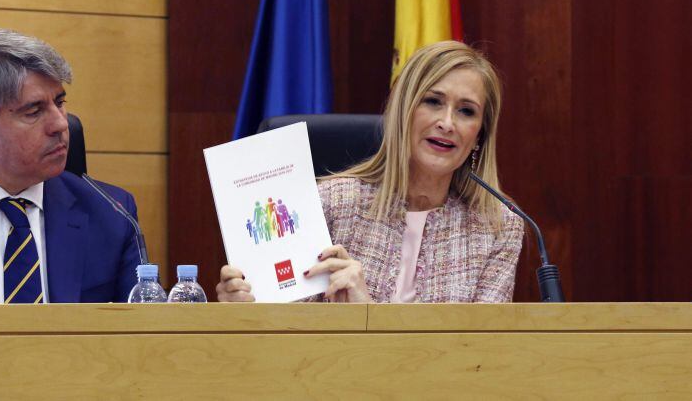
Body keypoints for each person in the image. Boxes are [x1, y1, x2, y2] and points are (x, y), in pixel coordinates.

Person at [217, 41, 524, 303]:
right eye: (433, 102)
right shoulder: (330, 203)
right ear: (404, 111)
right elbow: (282, 332)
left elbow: (480, 352)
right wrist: (245, 304)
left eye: (466, 111)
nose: (447, 123)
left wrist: (368, 311)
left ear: (479, 135)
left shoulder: (498, 227)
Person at [0, 27, 139, 303]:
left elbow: (144, 334)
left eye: (60, 102)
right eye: (34, 111)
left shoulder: (112, 212)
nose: (61, 123)